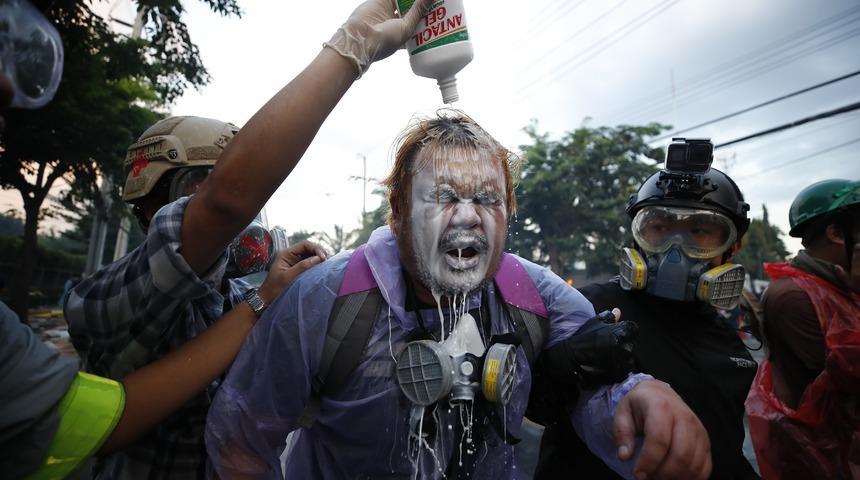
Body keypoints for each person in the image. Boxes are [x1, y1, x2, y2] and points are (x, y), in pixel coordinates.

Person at [204, 112, 712, 480]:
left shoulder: (532, 294)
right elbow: (243, 443)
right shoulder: (326, 298)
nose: (467, 217)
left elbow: (600, 386)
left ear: (508, 212)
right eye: (442, 196)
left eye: (487, 198)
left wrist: (640, 397)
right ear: (398, 210)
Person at [0, 3, 322, 478]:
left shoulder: (237, 299)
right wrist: (354, 45)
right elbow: (219, 211)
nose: (240, 217)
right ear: (153, 208)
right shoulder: (106, 295)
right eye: (200, 188)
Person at [535, 138, 760, 479]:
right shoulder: (589, 307)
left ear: (732, 247)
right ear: (637, 235)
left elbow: (724, 452)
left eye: (700, 231)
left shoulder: (732, 346)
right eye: (658, 228)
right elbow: (531, 401)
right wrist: (564, 361)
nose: (675, 250)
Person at [746, 179, 860, 479]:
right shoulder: (794, 296)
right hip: (824, 459)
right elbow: (848, 380)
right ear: (837, 233)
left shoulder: (841, 286)